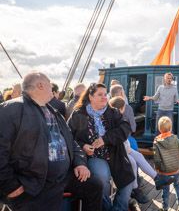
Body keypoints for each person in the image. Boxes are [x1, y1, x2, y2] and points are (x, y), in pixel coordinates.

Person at [0, 72, 103, 211]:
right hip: (33, 182)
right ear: (41, 85)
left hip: (62, 177)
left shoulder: (53, 111)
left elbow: (71, 141)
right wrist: (10, 186)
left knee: (94, 186)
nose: (55, 89)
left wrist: (80, 163)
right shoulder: (12, 109)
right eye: (50, 83)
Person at [68, 83, 135, 211]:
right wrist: (83, 146)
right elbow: (69, 137)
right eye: (100, 94)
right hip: (94, 156)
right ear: (90, 97)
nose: (104, 97)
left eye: (105, 94)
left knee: (128, 179)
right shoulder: (79, 114)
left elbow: (126, 128)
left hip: (115, 153)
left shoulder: (112, 112)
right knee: (101, 177)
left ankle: (118, 208)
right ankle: (106, 208)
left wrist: (105, 139)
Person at [109, 96, 175, 205]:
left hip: (124, 149)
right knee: (133, 163)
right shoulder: (114, 120)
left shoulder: (118, 118)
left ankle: (157, 179)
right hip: (116, 152)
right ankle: (135, 189)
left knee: (139, 156)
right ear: (121, 109)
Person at [154, 116, 179, 211]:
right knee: (177, 185)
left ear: (159, 129)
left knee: (165, 190)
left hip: (164, 171)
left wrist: (157, 169)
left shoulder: (156, 142)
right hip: (175, 169)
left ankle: (165, 207)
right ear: (170, 128)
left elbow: (157, 159)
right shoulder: (175, 138)